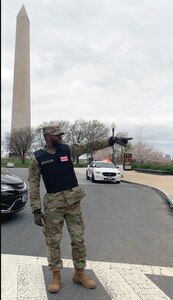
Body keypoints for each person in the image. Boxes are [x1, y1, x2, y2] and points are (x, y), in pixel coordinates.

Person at [28, 125, 131, 293]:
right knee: (53, 241)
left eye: (61, 134)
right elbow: (33, 184)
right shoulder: (37, 158)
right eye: (56, 135)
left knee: (78, 239)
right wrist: (36, 210)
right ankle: (56, 276)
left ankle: (79, 273)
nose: (60, 137)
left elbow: (89, 145)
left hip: (73, 203)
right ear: (47, 137)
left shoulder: (67, 150)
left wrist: (110, 141)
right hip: (53, 206)